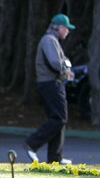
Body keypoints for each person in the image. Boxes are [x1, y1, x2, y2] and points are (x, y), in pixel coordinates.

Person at [25, 13, 76, 164]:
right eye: (66, 28)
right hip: (50, 83)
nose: (67, 31)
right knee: (59, 118)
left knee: (58, 119)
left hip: (52, 83)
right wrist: (66, 66)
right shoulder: (49, 40)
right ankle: (32, 143)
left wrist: (65, 63)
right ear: (59, 27)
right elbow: (56, 62)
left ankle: (55, 158)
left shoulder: (53, 41)